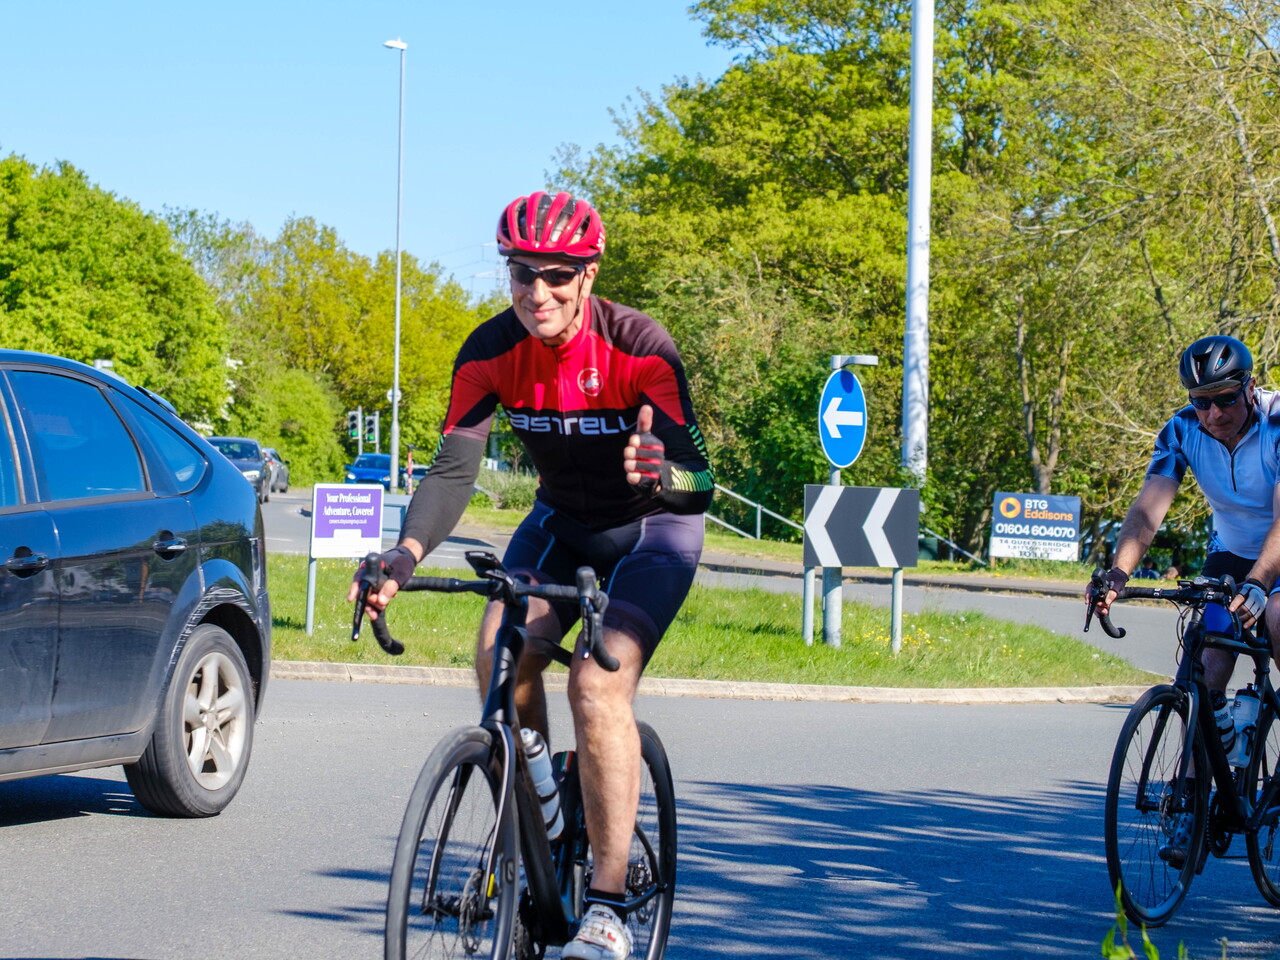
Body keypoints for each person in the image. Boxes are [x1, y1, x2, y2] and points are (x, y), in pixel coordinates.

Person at [351, 190, 714, 960]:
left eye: (557, 275)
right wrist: (403, 556)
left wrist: (663, 471)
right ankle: (542, 812)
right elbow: (453, 471)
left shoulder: (640, 346)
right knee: (498, 651)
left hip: (653, 529)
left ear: (588, 275)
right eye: (523, 273)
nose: (538, 292)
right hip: (561, 523)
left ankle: (607, 908)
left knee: (596, 685)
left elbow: (701, 481)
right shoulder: (489, 351)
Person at [1094, 333, 1280, 866]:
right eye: (1201, 401)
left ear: (1249, 387)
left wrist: (1260, 582)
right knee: (1205, 657)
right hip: (1231, 552)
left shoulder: (1276, 423)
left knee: (1276, 614)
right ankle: (1191, 799)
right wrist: (1118, 573)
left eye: (1225, 398)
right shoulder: (1182, 429)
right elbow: (1147, 510)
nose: (1214, 413)